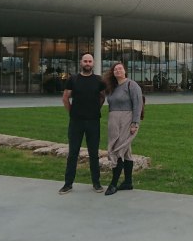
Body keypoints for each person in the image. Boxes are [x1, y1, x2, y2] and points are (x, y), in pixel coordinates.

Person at [59, 53, 106, 195]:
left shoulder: (99, 80)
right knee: (73, 153)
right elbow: (65, 98)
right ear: (81, 62)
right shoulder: (73, 79)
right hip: (76, 122)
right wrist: (72, 112)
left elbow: (102, 97)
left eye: (90, 61)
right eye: (85, 61)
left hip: (93, 122)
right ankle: (68, 184)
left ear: (93, 63)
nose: (87, 63)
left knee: (94, 153)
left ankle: (96, 183)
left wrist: (94, 109)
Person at [103, 61, 143, 196]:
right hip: (114, 121)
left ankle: (113, 184)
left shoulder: (132, 85)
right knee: (126, 152)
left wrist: (135, 123)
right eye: (115, 70)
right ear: (113, 73)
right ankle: (128, 182)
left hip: (126, 120)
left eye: (120, 69)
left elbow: (138, 105)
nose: (118, 71)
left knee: (118, 149)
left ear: (125, 70)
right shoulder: (113, 87)